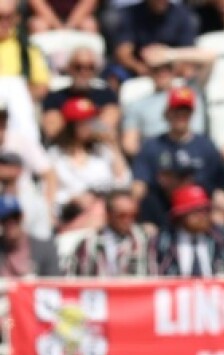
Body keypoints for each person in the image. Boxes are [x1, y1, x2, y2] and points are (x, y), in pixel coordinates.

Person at [131, 88, 224, 199]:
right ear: (168, 113)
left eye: (185, 111)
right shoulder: (152, 146)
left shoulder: (205, 146)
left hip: (198, 206)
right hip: (162, 204)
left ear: (192, 114)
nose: (181, 116)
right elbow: (139, 183)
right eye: (176, 111)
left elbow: (218, 184)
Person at [47, 98, 131, 226]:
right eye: (83, 122)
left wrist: (114, 145)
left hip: (106, 214)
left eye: (91, 121)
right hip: (70, 216)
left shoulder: (102, 150)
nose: (89, 126)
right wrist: (72, 199)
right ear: (71, 125)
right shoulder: (55, 155)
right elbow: (48, 194)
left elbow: (124, 181)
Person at [120, 50, 209, 159]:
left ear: (175, 71)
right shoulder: (137, 105)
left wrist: (170, 54)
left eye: (167, 68)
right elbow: (129, 145)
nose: (162, 73)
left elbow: (210, 58)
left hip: (196, 154)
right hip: (158, 159)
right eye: (156, 69)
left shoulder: (191, 91)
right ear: (149, 71)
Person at [66, 190, 160, 277]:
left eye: (133, 215)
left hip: (135, 293)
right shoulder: (89, 243)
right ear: (109, 214)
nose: (128, 220)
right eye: (122, 215)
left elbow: (153, 275)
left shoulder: (144, 241)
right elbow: (76, 279)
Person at [155, 185, 224, 277]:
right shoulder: (164, 242)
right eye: (197, 211)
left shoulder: (219, 239)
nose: (204, 216)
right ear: (181, 216)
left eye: (206, 210)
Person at [41, 47, 120, 141]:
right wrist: (93, 126)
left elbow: (108, 127)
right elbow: (53, 130)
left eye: (90, 67)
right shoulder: (54, 97)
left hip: (98, 150)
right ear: (69, 68)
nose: (84, 72)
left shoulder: (106, 95)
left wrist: (71, 124)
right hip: (63, 151)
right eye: (78, 67)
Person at [113, 0, 198, 82]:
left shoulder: (181, 14)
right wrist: (142, 69)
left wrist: (167, 56)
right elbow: (123, 53)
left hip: (173, 70)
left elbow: (189, 52)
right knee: (114, 75)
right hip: (140, 72)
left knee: (189, 72)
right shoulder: (131, 15)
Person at [0, 196, 59, 277]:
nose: (10, 222)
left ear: (22, 216)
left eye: (15, 217)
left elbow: (55, 282)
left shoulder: (45, 249)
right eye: (4, 218)